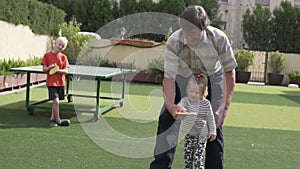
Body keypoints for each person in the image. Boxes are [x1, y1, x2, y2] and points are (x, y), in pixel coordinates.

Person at [150, 5, 237, 169]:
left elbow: (229, 73)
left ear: (204, 27)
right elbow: (169, 78)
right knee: (166, 119)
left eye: (193, 34)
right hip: (182, 77)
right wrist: (170, 105)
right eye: (186, 33)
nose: (189, 37)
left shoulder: (218, 38)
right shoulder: (174, 41)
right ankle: (160, 166)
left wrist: (223, 109)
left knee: (214, 123)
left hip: (212, 77)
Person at [178, 74, 216, 169]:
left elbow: (210, 118)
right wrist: (181, 110)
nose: (193, 95)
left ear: (203, 93)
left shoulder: (206, 104)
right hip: (189, 134)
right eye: (191, 91)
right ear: (187, 90)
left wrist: (213, 131)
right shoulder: (186, 101)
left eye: (197, 93)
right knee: (188, 158)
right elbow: (180, 106)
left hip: (202, 135)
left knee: (198, 158)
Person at [41, 37, 70, 127]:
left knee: (55, 102)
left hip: (61, 82)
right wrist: (50, 67)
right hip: (51, 83)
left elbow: (66, 71)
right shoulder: (47, 55)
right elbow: (44, 69)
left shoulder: (64, 57)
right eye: (59, 44)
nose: (61, 47)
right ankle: (59, 120)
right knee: (56, 101)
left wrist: (58, 70)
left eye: (63, 46)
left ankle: (52, 119)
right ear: (55, 44)